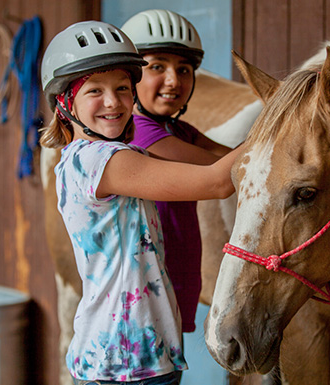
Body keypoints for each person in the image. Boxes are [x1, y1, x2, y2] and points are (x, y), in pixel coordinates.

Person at [40, 20, 243, 385]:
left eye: (122, 88)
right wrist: (282, 127)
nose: (113, 102)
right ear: (65, 102)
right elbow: (216, 182)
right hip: (124, 360)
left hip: (136, 352)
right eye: (94, 91)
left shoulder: (95, 156)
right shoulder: (103, 161)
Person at [121, 9, 231, 335]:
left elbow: (231, 154)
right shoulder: (141, 133)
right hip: (146, 299)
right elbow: (225, 168)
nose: (174, 80)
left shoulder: (180, 130)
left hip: (175, 289)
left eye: (184, 69)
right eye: (157, 67)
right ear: (130, 75)